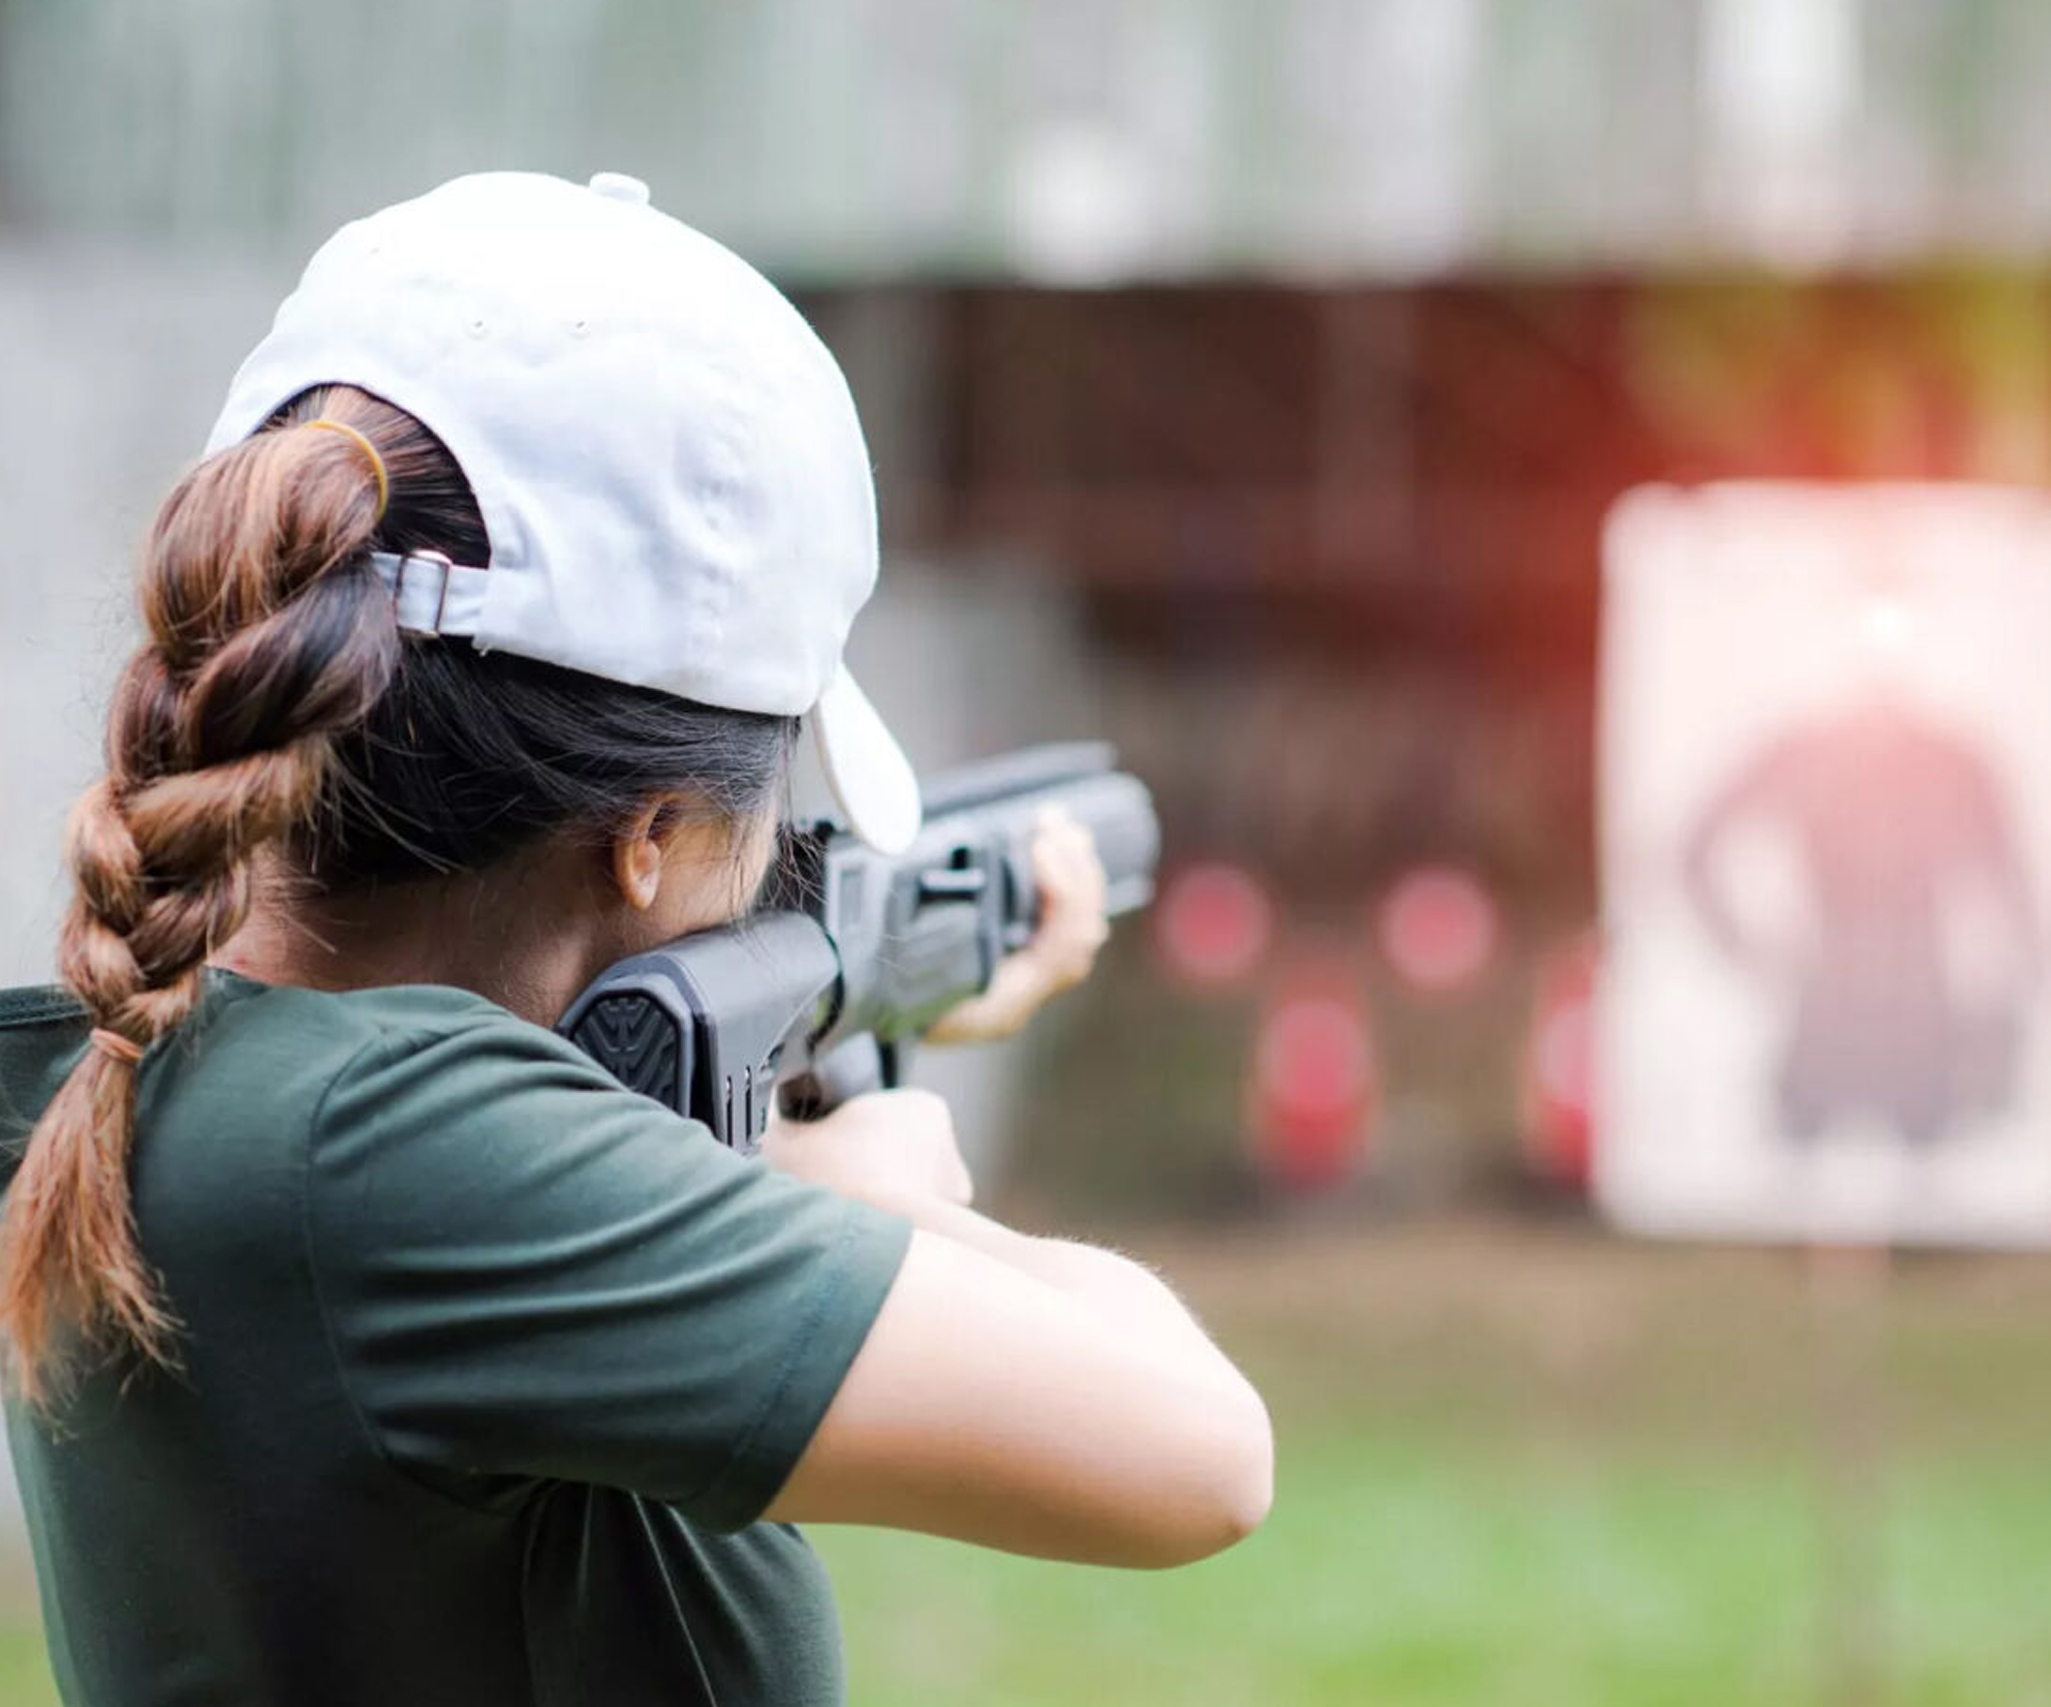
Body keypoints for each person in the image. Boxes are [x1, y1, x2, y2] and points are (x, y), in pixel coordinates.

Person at [0, 170, 1271, 1707]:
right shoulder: (393, 1155)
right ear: (654, 838)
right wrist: (868, 1193)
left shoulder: (155, 1072)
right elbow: (1202, 1454)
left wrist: (798, 1090)